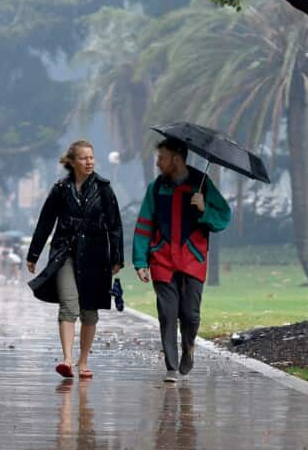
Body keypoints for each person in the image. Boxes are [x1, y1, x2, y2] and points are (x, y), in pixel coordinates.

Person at [132, 137, 231, 383]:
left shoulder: (202, 184)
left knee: (190, 314)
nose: (157, 163)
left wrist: (203, 208)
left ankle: (189, 347)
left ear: (176, 159)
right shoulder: (156, 188)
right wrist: (141, 261)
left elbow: (224, 217)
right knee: (167, 313)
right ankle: (171, 367)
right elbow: (144, 224)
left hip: (192, 260)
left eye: (161, 158)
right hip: (162, 259)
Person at [26, 140, 124, 379]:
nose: (89, 162)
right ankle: (67, 359)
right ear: (72, 162)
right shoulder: (60, 189)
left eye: (91, 157)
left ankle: (83, 361)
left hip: (96, 254)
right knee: (69, 304)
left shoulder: (104, 189)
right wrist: (34, 254)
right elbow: (45, 222)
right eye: (83, 158)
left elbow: (115, 225)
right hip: (65, 252)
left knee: (89, 310)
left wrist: (117, 257)